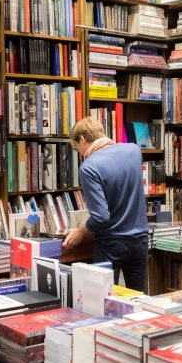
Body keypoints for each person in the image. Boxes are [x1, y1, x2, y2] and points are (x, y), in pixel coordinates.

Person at [63, 117, 149, 292]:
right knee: (139, 300)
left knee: (103, 302)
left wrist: (80, 232)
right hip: (140, 240)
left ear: (82, 140)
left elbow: (101, 217)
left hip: (111, 243)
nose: (79, 152)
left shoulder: (89, 167)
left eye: (76, 147)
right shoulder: (134, 151)